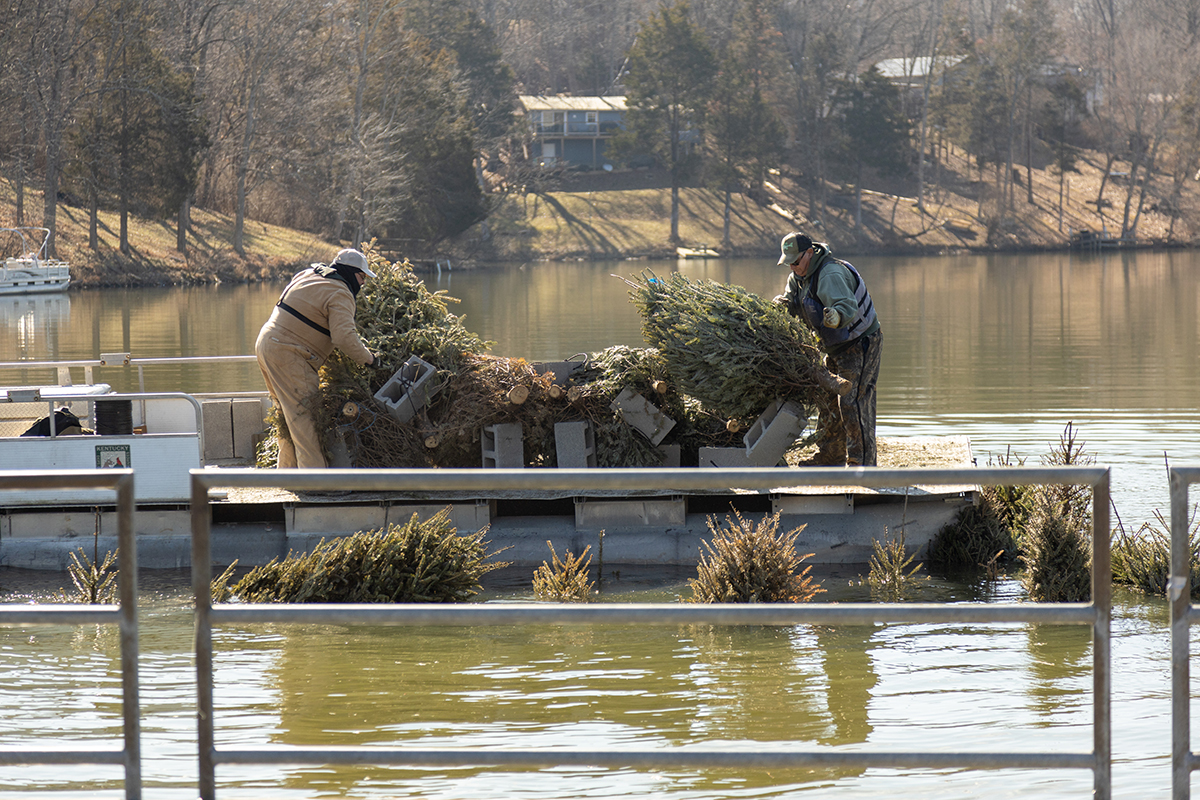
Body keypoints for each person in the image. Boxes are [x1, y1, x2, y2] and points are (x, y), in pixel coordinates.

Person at [256, 248, 378, 469]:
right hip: (290, 354)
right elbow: (344, 337)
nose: (362, 284)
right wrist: (369, 359)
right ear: (351, 273)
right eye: (362, 277)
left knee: (286, 415)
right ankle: (315, 483)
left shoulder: (308, 275)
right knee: (306, 419)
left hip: (266, 342)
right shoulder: (341, 292)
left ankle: (288, 473)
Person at [775, 232, 881, 467]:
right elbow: (791, 300)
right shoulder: (799, 277)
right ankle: (830, 457)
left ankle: (862, 467)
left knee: (853, 402)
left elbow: (847, 306)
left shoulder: (830, 274)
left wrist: (837, 316)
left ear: (810, 253)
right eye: (789, 262)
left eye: (796, 261)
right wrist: (779, 306)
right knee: (827, 400)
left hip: (859, 343)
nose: (792, 267)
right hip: (833, 347)